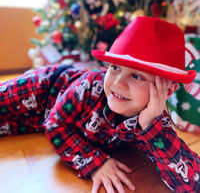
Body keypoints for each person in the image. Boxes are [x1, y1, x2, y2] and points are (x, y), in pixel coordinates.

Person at [0, 16, 199, 193]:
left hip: (38, 122)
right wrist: (95, 163)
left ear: (168, 91)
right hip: (43, 89)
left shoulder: (155, 119)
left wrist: (150, 125)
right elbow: (55, 123)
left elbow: (192, 183)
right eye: (114, 68)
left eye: (136, 76)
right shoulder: (91, 85)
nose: (118, 82)